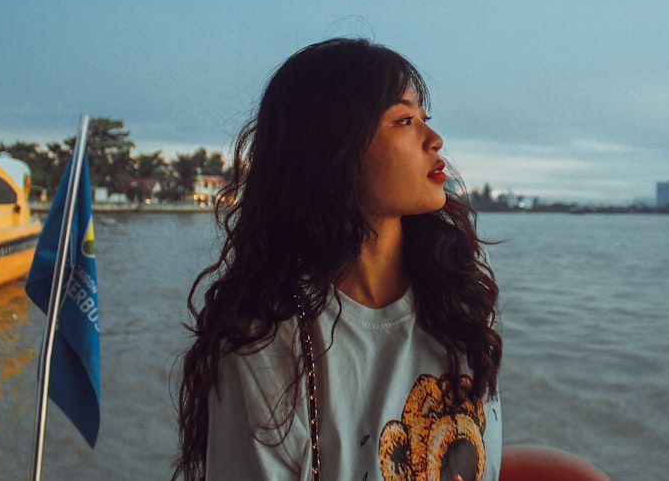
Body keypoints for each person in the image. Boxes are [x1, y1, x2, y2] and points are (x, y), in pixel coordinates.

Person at [174, 38, 503, 481]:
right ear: (334, 148)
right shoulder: (266, 353)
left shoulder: (459, 302)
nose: (435, 139)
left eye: (425, 118)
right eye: (404, 120)